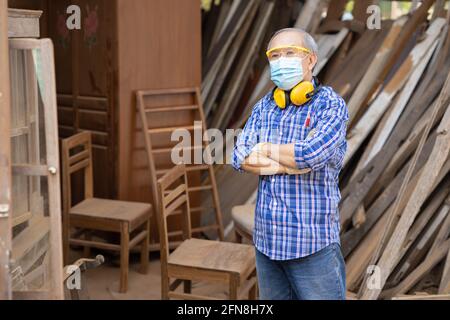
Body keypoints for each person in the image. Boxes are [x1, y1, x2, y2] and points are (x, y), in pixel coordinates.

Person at [231, 28, 349, 300]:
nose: (281, 60)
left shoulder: (329, 105)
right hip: (267, 242)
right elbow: (239, 155)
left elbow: (311, 154)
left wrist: (265, 149)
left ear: (311, 60)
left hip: (312, 244)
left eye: (290, 53)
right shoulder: (264, 107)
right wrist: (288, 163)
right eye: (275, 55)